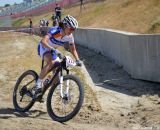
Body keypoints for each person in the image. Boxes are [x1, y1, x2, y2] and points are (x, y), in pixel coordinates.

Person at [36, 15, 82, 97]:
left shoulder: (69, 37)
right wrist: (52, 49)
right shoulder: (56, 31)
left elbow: (73, 49)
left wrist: (78, 60)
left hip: (52, 51)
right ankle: (38, 83)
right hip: (43, 47)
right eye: (71, 29)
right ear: (65, 26)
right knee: (51, 62)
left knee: (56, 78)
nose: (72, 31)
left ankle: (44, 87)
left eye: (74, 29)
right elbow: (43, 41)